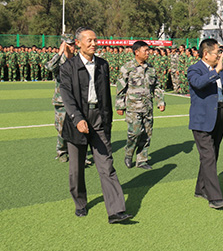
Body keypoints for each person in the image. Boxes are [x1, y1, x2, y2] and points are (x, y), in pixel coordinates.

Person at [59, 27, 132, 223]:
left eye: (95, 40)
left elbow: (105, 95)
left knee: (106, 164)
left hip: (99, 118)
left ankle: (116, 210)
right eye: (89, 41)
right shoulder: (68, 67)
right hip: (77, 120)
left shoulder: (102, 65)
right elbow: (66, 95)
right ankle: (80, 203)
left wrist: (106, 120)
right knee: (76, 169)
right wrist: (77, 118)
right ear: (78, 43)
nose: (93, 44)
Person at [187, 39, 223, 209]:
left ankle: (200, 188)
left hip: (219, 116)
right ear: (206, 54)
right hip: (202, 120)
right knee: (208, 157)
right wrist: (216, 70)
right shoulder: (195, 69)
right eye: (217, 53)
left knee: (212, 155)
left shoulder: (221, 71)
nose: (220, 56)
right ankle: (214, 197)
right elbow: (198, 84)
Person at [115, 40, 166, 170]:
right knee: (135, 133)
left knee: (147, 134)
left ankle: (141, 160)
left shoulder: (151, 69)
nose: (148, 53)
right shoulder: (127, 68)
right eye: (145, 51)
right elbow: (121, 87)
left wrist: (160, 101)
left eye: (149, 50)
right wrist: (120, 105)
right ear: (136, 52)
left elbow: (157, 87)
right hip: (133, 107)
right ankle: (129, 153)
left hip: (147, 107)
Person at [45, 33, 76, 162]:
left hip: (75, 100)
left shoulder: (77, 59)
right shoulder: (59, 61)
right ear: (64, 45)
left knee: (77, 128)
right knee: (62, 127)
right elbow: (49, 67)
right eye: (69, 44)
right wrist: (59, 53)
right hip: (61, 100)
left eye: (73, 44)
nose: (73, 47)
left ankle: (76, 154)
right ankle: (62, 152)